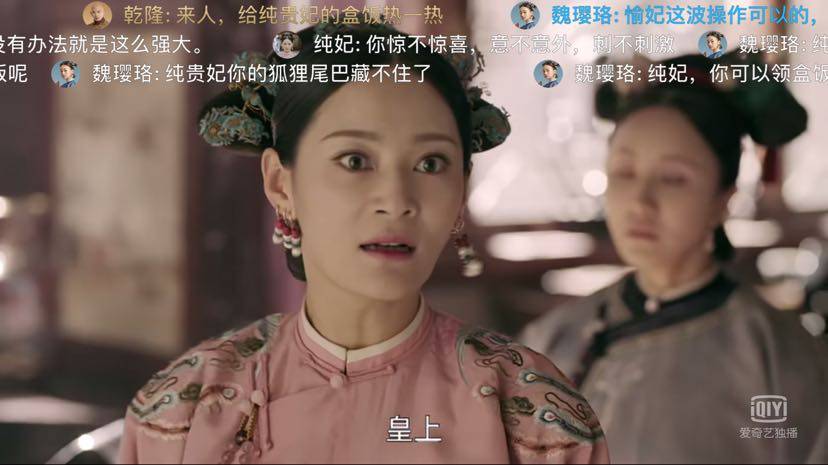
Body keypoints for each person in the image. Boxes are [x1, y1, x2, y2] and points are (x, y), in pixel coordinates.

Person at [118, 20, 609, 464]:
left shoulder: (534, 419)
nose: (397, 200)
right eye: (355, 160)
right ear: (281, 183)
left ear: (461, 189)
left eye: (431, 163)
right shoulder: (182, 411)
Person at [519, 51, 828, 463]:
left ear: (723, 200)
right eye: (625, 172)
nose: (640, 202)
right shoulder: (551, 337)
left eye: (673, 178)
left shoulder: (779, 356)